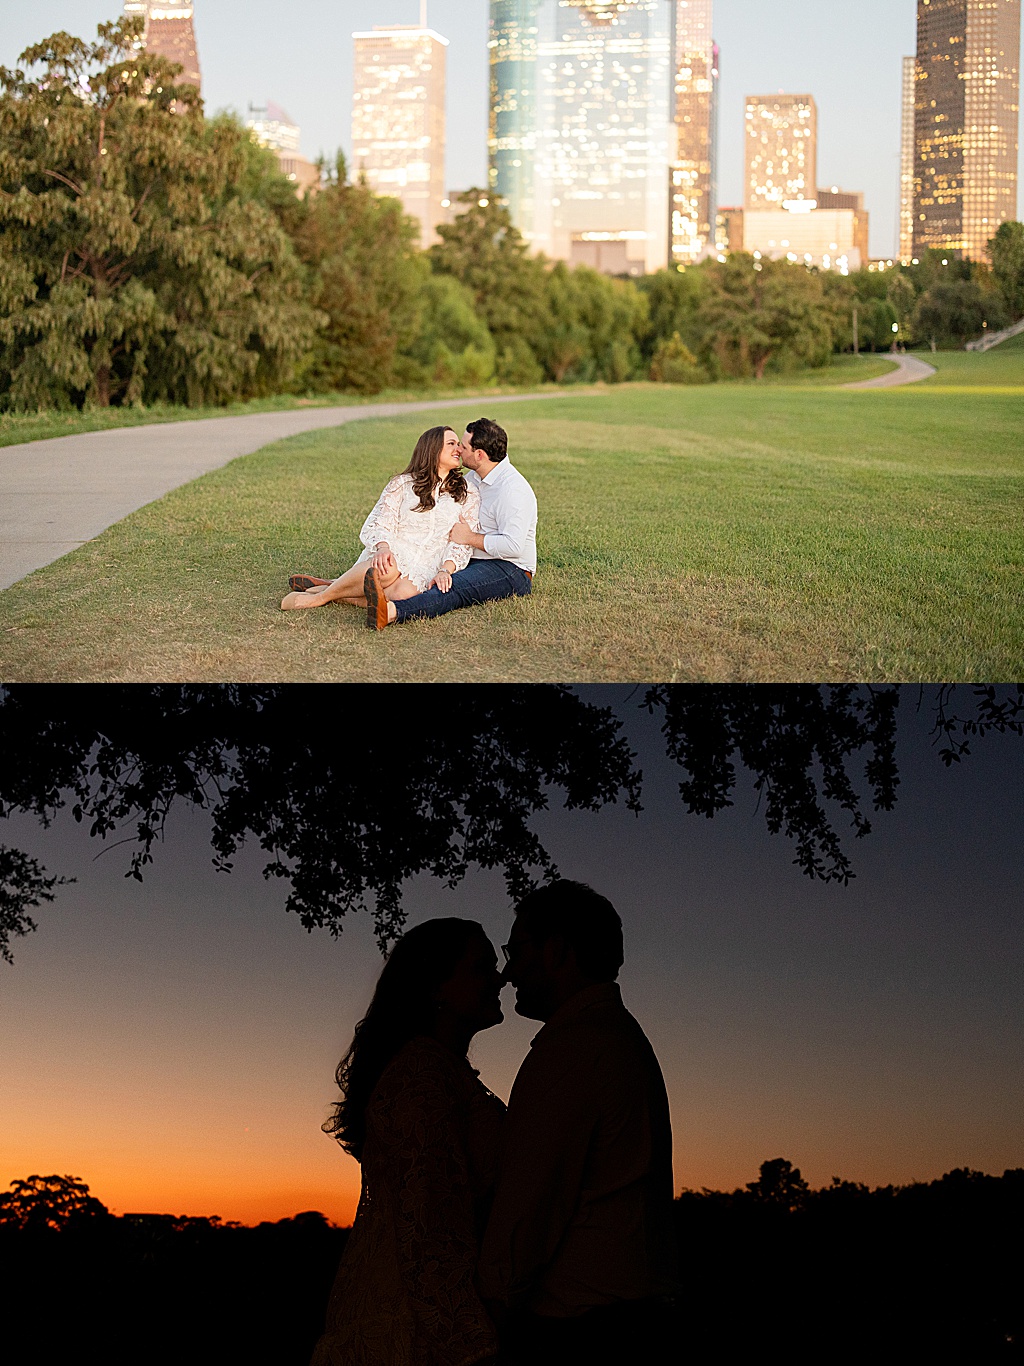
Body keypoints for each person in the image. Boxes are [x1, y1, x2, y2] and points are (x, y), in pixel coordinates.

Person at [477, 881, 681, 1365]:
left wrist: (489, 1314)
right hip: (623, 1318)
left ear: (557, 951)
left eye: (516, 949)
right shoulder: (617, 1038)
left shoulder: (573, 1050)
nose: (507, 972)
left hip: (581, 1331)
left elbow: (530, 1201)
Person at [311, 919, 506, 1366]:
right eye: (482, 967)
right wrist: (475, 1346)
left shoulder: (440, 1072)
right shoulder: (420, 1076)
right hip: (417, 1329)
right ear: (435, 986)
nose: (500, 978)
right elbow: (428, 1225)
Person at [281, 425, 480, 613]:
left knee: (403, 596)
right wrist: (383, 547)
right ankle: (321, 597)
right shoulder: (402, 484)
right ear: (432, 449)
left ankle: (336, 590)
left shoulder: (467, 492)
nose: (459, 449)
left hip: (429, 562)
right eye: (451, 444)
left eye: (458, 444)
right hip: (395, 550)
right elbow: (382, 520)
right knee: (386, 569)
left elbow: (462, 541)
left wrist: (446, 569)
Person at [365, 417, 536, 630]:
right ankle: (333, 589)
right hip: (474, 557)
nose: (459, 450)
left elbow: (514, 547)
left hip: (509, 567)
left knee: (450, 587)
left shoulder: (512, 490)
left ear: (479, 455)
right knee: (422, 569)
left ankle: (391, 612)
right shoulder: (474, 478)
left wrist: (469, 538)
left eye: (463, 446)